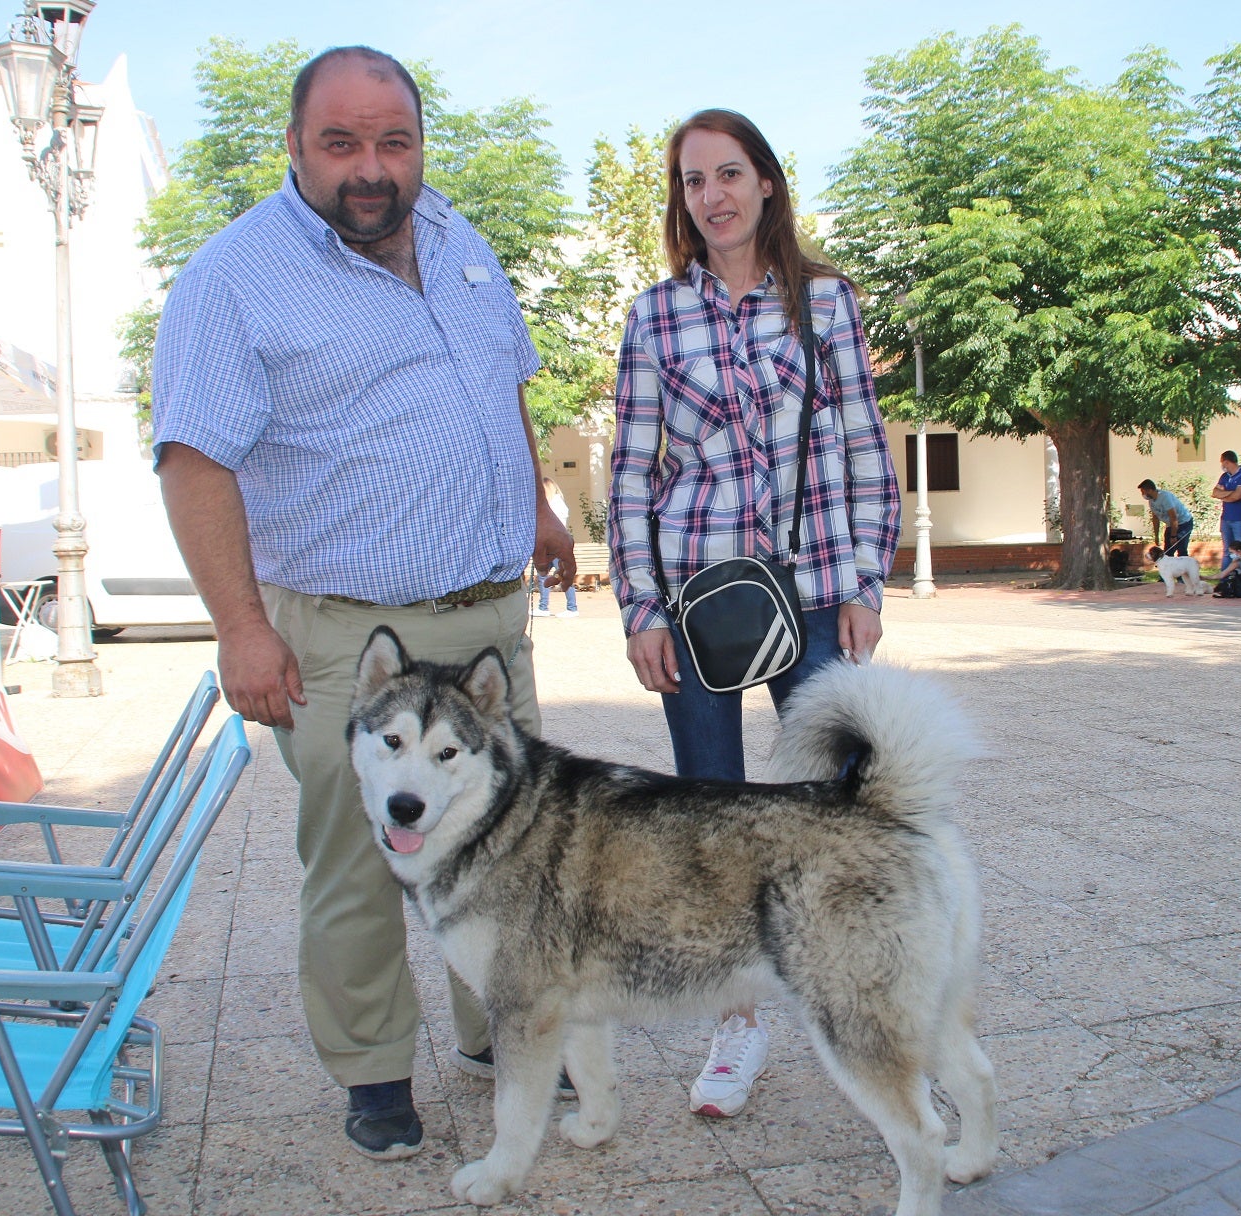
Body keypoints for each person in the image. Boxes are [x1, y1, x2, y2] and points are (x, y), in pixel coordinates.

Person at [149, 45, 574, 1162]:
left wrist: (536, 504)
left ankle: (502, 1033)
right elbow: (194, 461)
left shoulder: (458, 237)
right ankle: (376, 1070)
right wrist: (241, 626)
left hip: (489, 627)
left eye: (394, 141)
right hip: (355, 642)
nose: (372, 169)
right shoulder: (231, 278)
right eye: (341, 144)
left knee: (511, 849)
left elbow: (505, 381)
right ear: (294, 146)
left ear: (420, 143)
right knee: (362, 860)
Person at [608, 109, 901, 1120]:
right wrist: (640, 608)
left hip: (814, 586)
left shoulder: (826, 303)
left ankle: (861, 1009)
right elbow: (632, 471)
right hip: (696, 599)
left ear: (767, 182)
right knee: (711, 816)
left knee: (840, 811)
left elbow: (864, 449)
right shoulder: (654, 316)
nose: (712, 195)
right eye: (692, 181)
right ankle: (741, 1024)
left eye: (729, 173)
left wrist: (865, 580)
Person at [532, 477, 578, 617]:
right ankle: (544, 607)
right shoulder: (556, 503)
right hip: (552, 547)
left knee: (562, 575)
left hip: (555, 548)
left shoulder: (554, 505)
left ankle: (572, 608)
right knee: (543, 576)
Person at [1210, 451, 1241, 556]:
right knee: (1226, 550)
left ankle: (1240, 572)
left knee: (1240, 550)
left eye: (1222, 462)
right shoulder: (1224, 477)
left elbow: (1237, 497)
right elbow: (1215, 493)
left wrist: (1224, 496)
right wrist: (1231, 494)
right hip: (1225, 519)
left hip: (1240, 520)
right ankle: (1227, 572)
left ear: (1227, 462)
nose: (1222, 465)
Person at [1138, 479, 1193, 558]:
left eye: (1143, 492)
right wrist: (1156, 536)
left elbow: (1173, 518)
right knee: (1168, 551)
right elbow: (1155, 518)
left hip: (1184, 523)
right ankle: (1168, 569)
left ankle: (1185, 568)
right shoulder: (1151, 501)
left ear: (1149, 490)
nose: (1143, 494)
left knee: (1181, 550)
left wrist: (1173, 536)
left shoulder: (1165, 497)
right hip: (1171, 524)